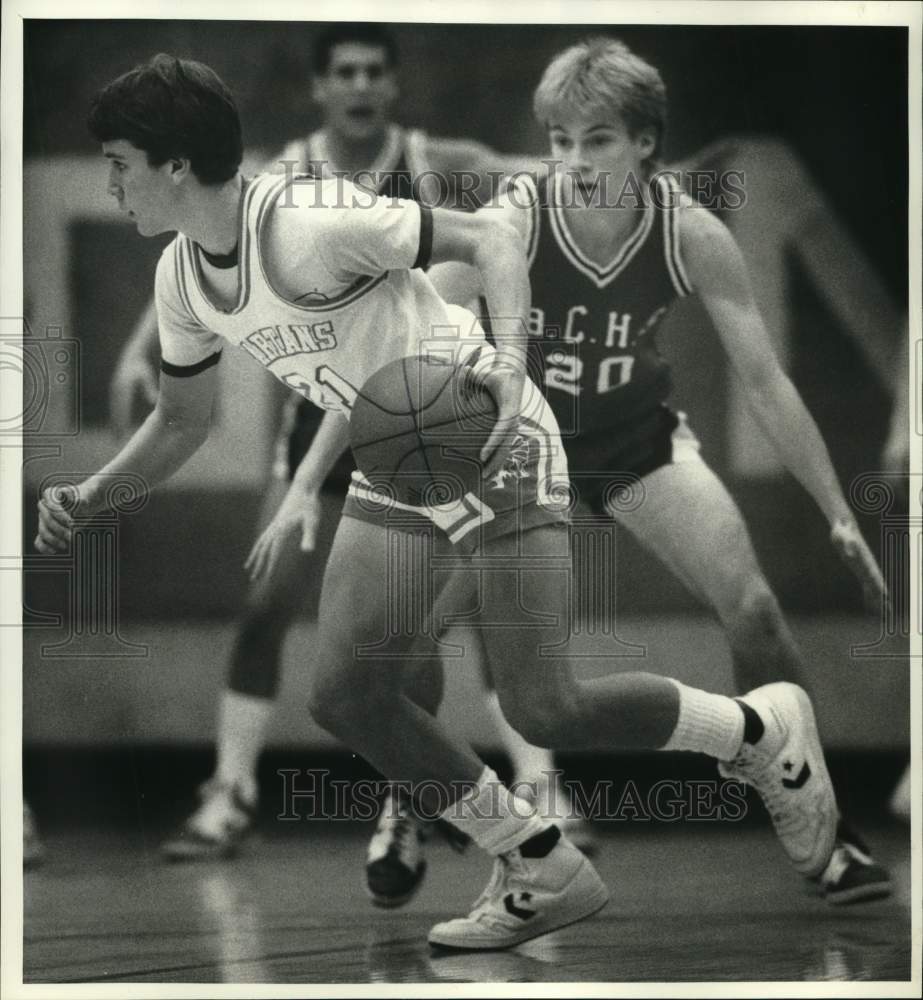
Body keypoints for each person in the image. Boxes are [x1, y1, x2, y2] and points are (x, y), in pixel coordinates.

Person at [38, 52, 847, 951]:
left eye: (119, 162)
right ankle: (537, 862)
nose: (112, 184)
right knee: (347, 694)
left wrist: (505, 358)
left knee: (545, 708)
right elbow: (183, 418)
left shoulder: (308, 221)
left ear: (175, 165)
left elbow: (490, 240)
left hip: (484, 427)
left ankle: (757, 730)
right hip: (402, 457)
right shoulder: (181, 278)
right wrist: (91, 495)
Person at [107, 23, 589, 887]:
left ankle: (524, 793)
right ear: (322, 87)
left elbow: (512, 193)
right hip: (336, 417)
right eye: (346, 72)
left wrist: (611, 164)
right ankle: (236, 791)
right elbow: (193, 267)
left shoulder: (419, 163)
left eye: (376, 71)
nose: (362, 85)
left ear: (391, 86)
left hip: (427, 402)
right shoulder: (268, 179)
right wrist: (139, 350)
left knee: (460, 645)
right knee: (297, 631)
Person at [420, 36, 892, 904]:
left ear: (644, 142)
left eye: (595, 140)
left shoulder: (690, 230)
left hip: (638, 445)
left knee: (752, 609)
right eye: (558, 140)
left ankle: (823, 837)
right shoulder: (516, 218)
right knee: (408, 635)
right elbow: (433, 324)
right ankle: (421, 810)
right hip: (530, 458)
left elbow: (762, 380)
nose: (572, 161)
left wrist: (833, 509)